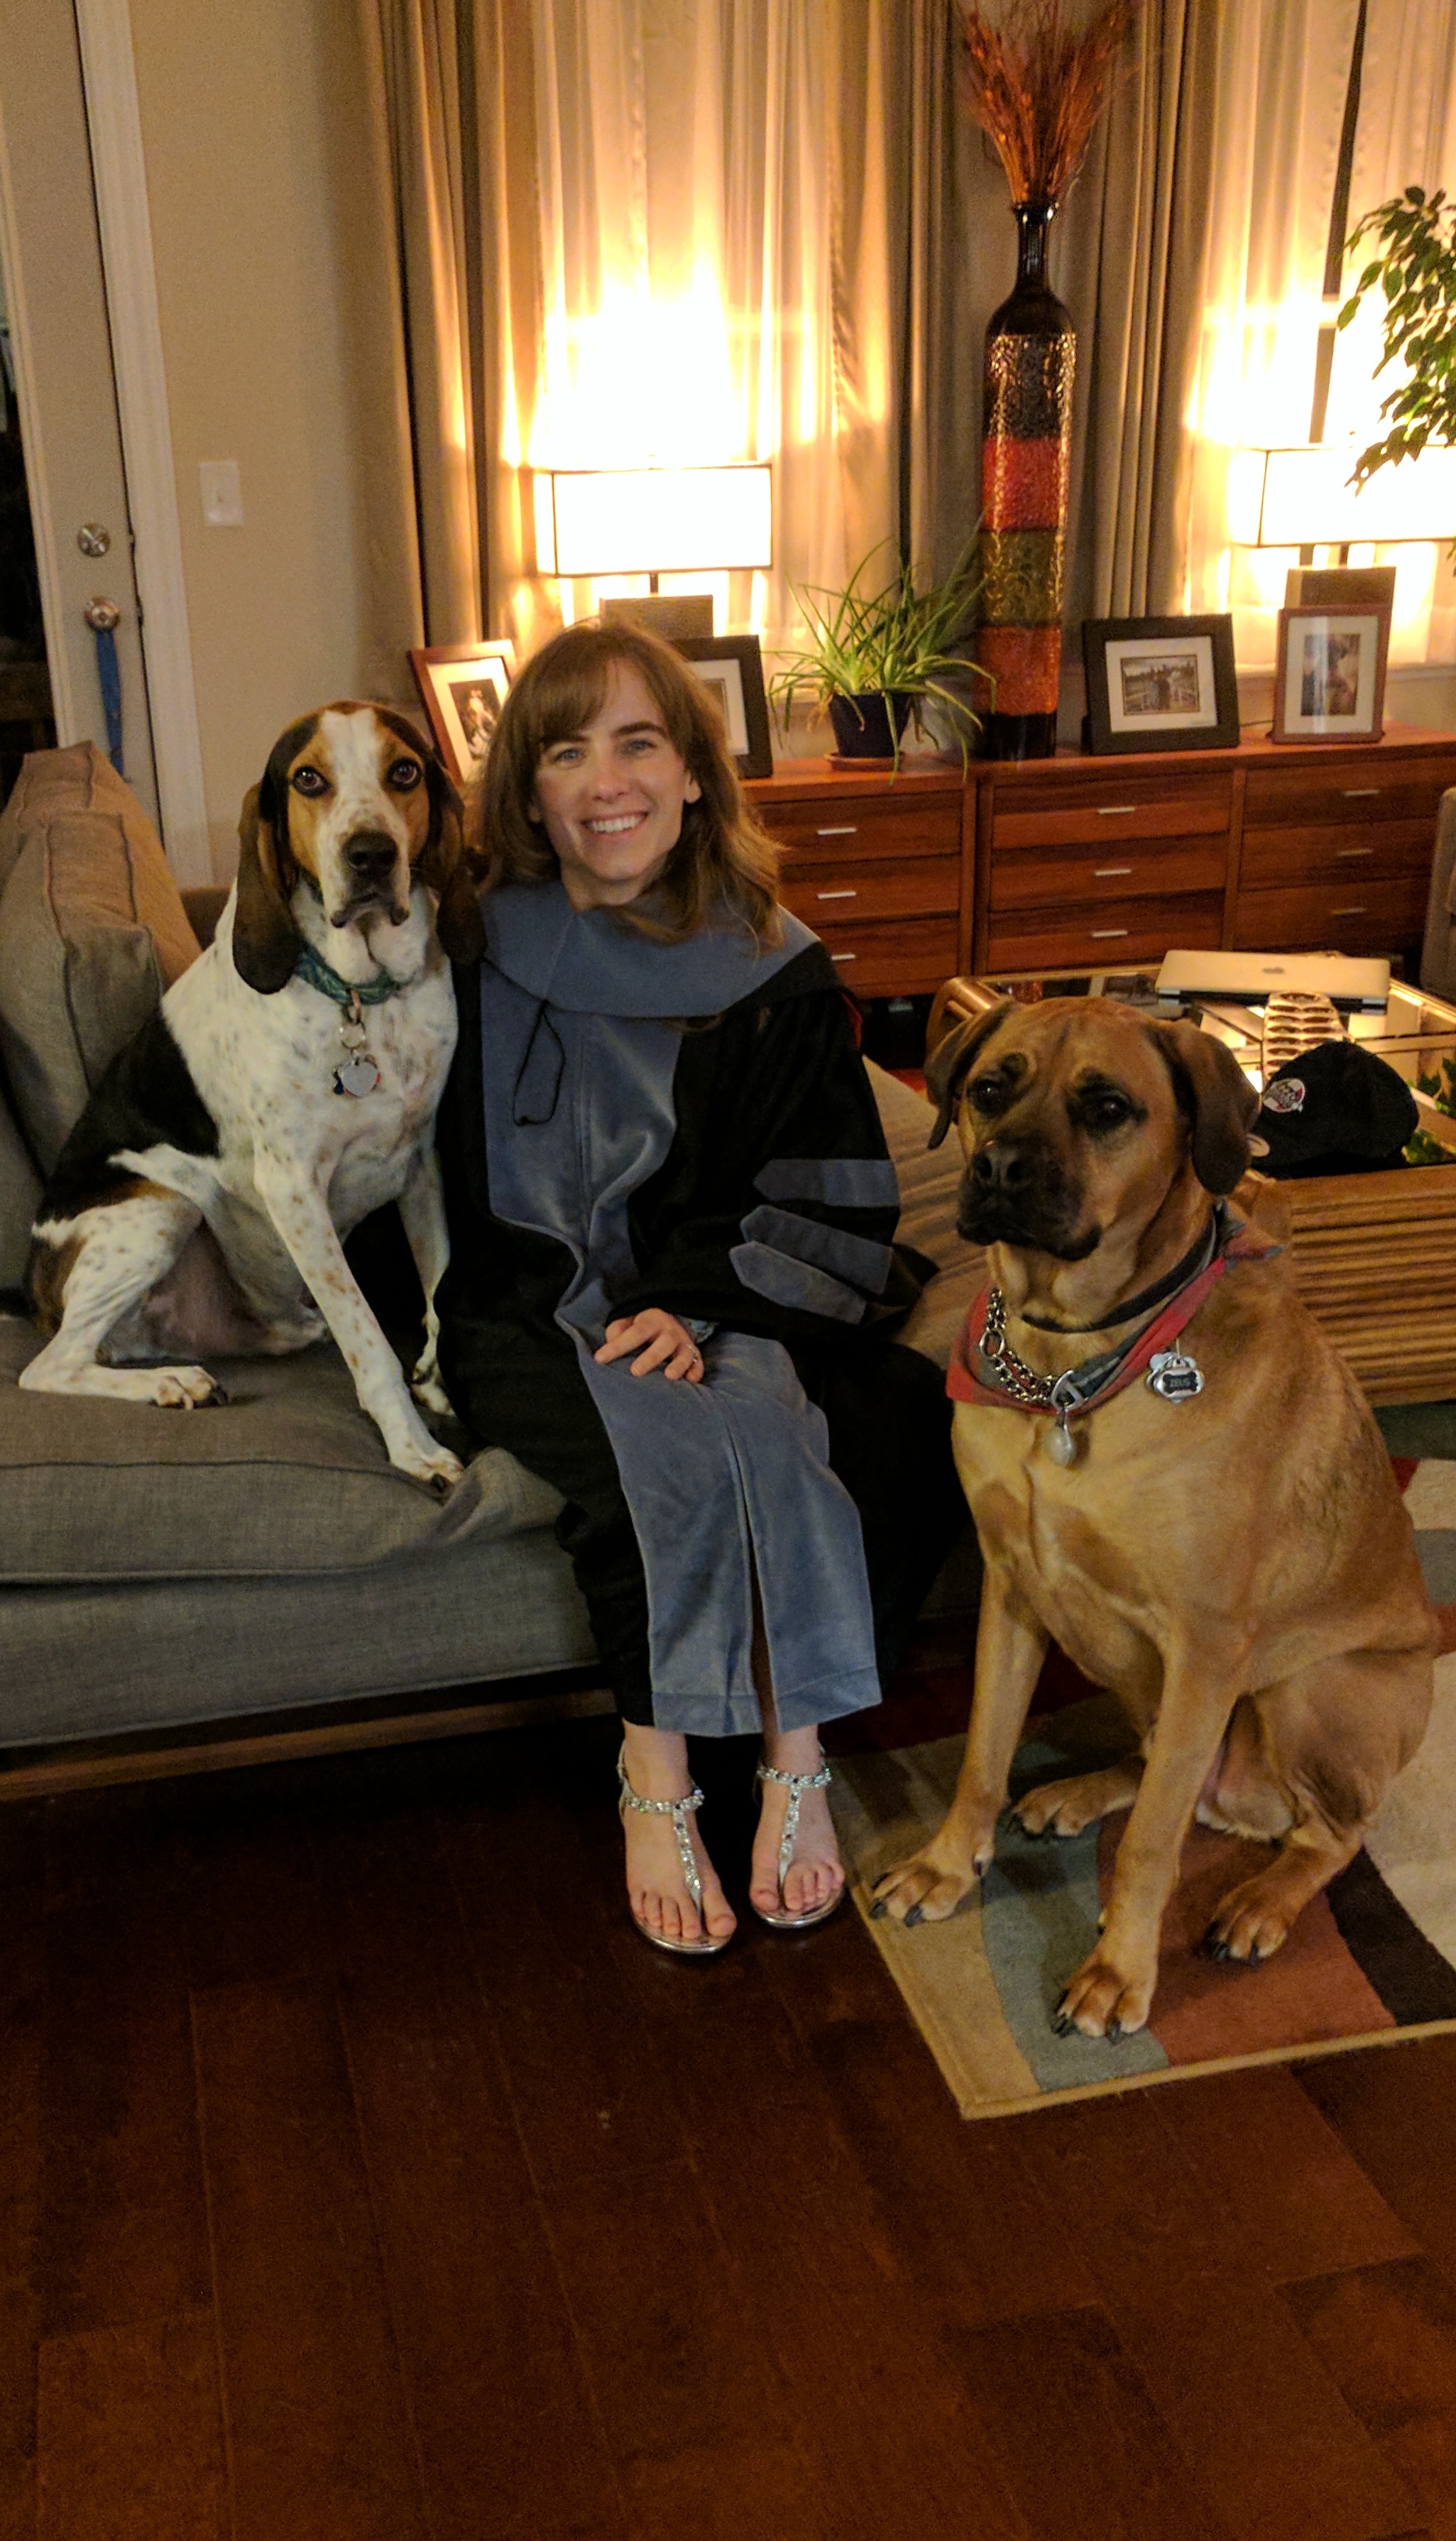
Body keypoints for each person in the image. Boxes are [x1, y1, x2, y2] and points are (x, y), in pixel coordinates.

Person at [432, 621, 965, 1955]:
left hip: (718, 1284)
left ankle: (797, 1758)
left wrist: (694, 1298)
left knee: (847, 1420)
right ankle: (655, 1776)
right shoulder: (467, 948)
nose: (604, 781)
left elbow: (823, 1176)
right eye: (565, 751)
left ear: (688, 774)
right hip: (521, 1300)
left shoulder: (768, 964)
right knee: (652, 1453)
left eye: (636, 743)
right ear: (528, 790)